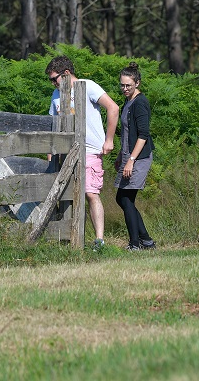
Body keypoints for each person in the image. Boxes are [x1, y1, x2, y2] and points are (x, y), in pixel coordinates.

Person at [45, 55, 119, 250]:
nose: (53, 83)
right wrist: (51, 152)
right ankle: (69, 238)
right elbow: (54, 125)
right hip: (65, 151)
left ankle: (99, 241)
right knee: (65, 194)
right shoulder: (56, 95)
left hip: (90, 149)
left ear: (67, 73)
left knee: (90, 193)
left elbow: (113, 108)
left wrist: (109, 140)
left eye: (55, 79)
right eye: (51, 80)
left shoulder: (88, 86)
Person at [113, 62, 156, 251]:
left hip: (138, 158)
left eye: (128, 85)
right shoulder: (128, 101)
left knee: (125, 198)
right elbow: (126, 133)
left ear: (137, 83)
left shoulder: (140, 102)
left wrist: (131, 160)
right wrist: (120, 157)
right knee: (123, 198)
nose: (124, 88)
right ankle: (145, 240)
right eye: (122, 85)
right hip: (128, 156)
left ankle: (135, 243)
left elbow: (143, 135)